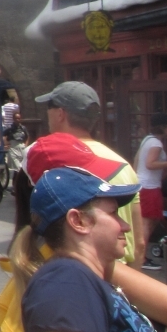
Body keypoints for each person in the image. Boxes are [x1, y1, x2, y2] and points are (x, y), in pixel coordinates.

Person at [11, 167, 167, 332]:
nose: (126, 226)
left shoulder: (86, 278)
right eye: (113, 214)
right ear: (78, 221)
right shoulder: (64, 280)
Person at [35, 81, 144, 267]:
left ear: (60, 114)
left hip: (73, 272)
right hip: (122, 275)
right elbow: (139, 243)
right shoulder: (123, 165)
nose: (47, 113)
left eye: (49, 107)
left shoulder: (49, 161)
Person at [135, 112, 167, 271]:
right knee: (147, 224)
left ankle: (141, 255)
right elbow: (150, 164)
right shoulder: (156, 144)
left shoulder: (148, 140)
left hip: (144, 184)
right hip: (150, 187)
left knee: (148, 222)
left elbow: (138, 161)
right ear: (163, 127)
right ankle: (142, 258)